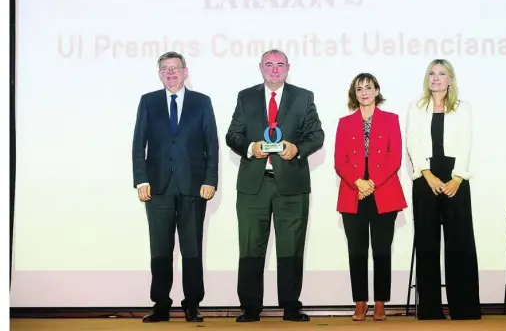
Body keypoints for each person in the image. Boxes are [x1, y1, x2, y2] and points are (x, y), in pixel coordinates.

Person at [225, 49, 325, 322]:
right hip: (253, 186)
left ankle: (291, 306)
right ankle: (250, 307)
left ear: (288, 67)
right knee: (250, 246)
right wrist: (250, 147)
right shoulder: (246, 97)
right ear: (260, 67)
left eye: (280, 65)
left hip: (291, 186)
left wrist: (298, 148)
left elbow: (317, 135)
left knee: (291, 246)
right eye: (269, 65)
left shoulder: (304, 97)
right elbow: (232, 135)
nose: (274, 69)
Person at [132, 51, 219, 323]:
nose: (171, 73)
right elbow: (138, 144)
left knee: (192, 249)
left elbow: (212, 145)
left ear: (185, 71)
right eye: (165, 69)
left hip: (194, 187)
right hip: (157, 188)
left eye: (175, 68)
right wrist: (141, 179)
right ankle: (160, 305)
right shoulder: (148, 102)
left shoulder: (202, 102)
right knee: (160, 249)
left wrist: (210, 180)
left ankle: (192, 304)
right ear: (160, 73)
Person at [406, 59, 481, 320]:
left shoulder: (463, 108)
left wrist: (457, 178)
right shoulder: (416, 107)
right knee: (427, 245)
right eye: (432, 74)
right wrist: (427, 175)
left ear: (451, 80)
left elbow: (466, 143)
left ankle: (465, 309)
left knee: (459, 244)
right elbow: (412, 142)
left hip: (455, 180)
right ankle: (429, 310)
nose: (436, 78)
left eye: (442, 74)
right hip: (425, 179)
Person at [334, 73, 407, 321]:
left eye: (368, 87)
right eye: (359, 88)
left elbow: (394, 158)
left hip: (383, 192)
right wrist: (358, 182)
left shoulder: (391, 119)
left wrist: (372, 183)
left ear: (377, 90)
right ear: (354, 94)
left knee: (382, 250)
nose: (364, 92)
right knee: (356, 250)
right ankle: (360, 302)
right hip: (352, 192)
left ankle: (380, 302)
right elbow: (339, 162)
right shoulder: (344, 123)